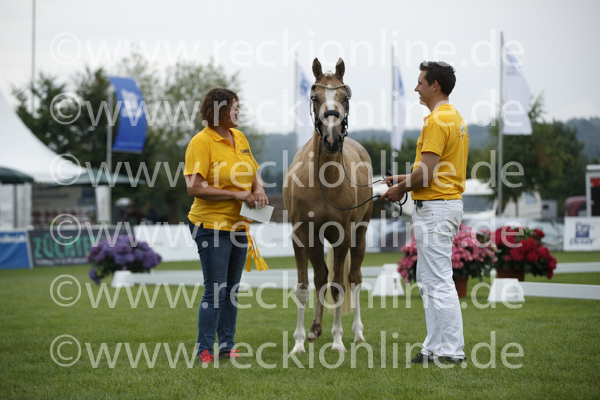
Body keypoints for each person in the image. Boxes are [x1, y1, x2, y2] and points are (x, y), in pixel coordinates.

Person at [381, 61, 469, 365]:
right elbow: (433, 170)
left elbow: (427, 173)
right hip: (442, 205)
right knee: (428, 278)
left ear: (435, 85)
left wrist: (400, 189)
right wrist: (403, 180)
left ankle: (452, 350)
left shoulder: (436, 121)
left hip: (436, 208)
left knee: (439, 280)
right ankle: (434, 347)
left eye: (420, 82)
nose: (416, 88)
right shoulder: (454, 117)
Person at [184, 87, 268, 365]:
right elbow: (194, 187)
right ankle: (204, 350)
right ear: (219, 111)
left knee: (231, 290)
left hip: (238, 226)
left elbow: (253, 171)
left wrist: (258, 189)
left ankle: (227, 347)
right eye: (234, 107)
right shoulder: (200, 142)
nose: (238, 111)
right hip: (210, 226)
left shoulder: (239, 137)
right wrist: (235, 195)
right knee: (216, 290)